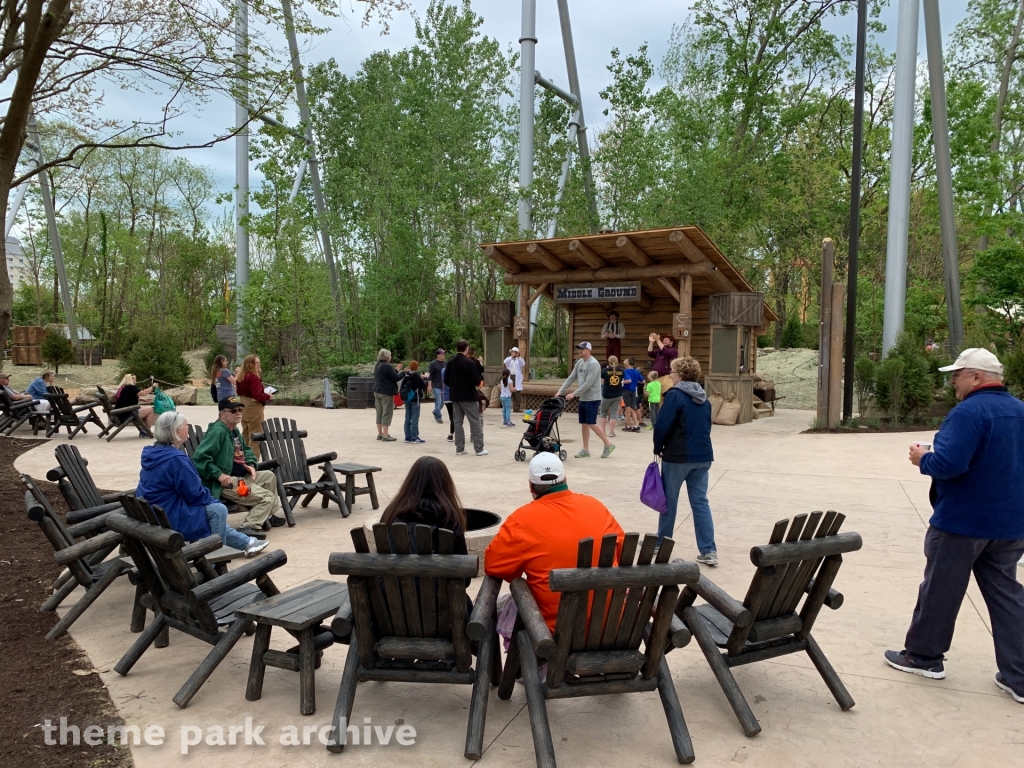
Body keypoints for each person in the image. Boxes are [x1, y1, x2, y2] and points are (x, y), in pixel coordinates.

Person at [885, 348, 1024, 703]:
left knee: (940, 590)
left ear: (977, 377)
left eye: (957, 374)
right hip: (1010, 524)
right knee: (1007, 595)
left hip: (962, 522)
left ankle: (924, 657)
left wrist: (923, 458)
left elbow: (949, 464)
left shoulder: (968, 412)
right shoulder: (1019, 410)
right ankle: (1019, 676)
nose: (952, 381)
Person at [485, 453, 625, 632]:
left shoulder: (521, 520)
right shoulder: (596, 506)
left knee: (491, 606)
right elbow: (621, 553)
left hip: (554, 632)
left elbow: (493, 565)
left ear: (531, 487)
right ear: (565, 479)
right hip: (611, 627)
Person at [137, 411, 267, 557]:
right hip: (169, 515)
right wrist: (212, 500)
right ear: (177, 431)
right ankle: (214, 560)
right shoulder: (176, 459)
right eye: (186, 425)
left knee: (213, 509)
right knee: (218, 510)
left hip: (153, 511)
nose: (188, 428)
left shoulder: (154, 452)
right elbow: (194, 493)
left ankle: (246, 542)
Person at [191, 396, 286, 538]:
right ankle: (248, 526)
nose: (238, 413)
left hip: (240, 475)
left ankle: (268, 515)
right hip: (226, 482)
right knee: (267, 497)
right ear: (222, 414)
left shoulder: (234, 430)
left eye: (240, 410)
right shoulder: (218, 431)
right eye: (233, 410)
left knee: (268, 476)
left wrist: (251, 464)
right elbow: (199, 459)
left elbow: (246, 450)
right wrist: (219, 475)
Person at [653, 356, 718, 564]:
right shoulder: (703, 397)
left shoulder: (675, 395)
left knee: (669, 502)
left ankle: (661, 544)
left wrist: (658, 447)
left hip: (678, 456)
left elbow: (662, 424)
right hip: (703, 456)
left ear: (680, 374)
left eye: (672, 371)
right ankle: (709, 551)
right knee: (700, 502)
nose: (670, 375)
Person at [380, 456, 468, 554]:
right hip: (439, 569)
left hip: (392, 569)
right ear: (445, 483)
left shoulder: (392, 512)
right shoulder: (448, 517)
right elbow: (462, 559)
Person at [558, 342, 613, 459]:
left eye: (582, 349)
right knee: (584, 424)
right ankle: (585, 449)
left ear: (588, 350)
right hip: (583, 398)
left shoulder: (593, 364)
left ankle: (608, 444)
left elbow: (588, 383)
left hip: (593, 398)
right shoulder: (579, 363)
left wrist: (574, 394)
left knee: (591, 423)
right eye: (579, 349)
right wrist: (560, 391)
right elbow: (571, 377)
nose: (580, 351)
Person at [443, 340, 487, 456]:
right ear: (466, 348)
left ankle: (460, 448)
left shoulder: (450, 362)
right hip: (468, 396)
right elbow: (477, 380)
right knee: (475, 422)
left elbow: (446, 380)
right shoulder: (469, 363)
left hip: (455, 396)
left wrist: (455, 385)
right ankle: (479, 448)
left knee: (458, 423)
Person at [235, 355, 271, 458]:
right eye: (257, 363)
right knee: (256, 436)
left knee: (245, 434)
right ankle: (252, 461)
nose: (259, 365)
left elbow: (238, 391)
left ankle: (242, 458)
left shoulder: (241, 376)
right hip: (254, 407)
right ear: (250, 364)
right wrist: (268, 395)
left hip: (243, 405)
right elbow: (257, 395)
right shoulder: (253, 377)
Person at [372, 348, 403, 442]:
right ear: (387, 357)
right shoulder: (387, 366)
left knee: (379, 412)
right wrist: (403, 373)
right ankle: (386, 435)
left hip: (377, 391)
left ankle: (380, 433)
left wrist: (396, 370)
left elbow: (387, 376)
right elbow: (396, 378)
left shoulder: (378, 365)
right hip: (386, 392)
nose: (391, 357)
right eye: (390, 355)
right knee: (387, 413)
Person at [401, 361, 427, 444]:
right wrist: (425, 378)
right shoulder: (416, 376)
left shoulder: (407, 375)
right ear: (417, 367)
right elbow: (423, 386)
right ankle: (414, 437)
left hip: (407, 399)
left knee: (407, 418)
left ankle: (407, 436)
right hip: (415, 399)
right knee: (415, 418)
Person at [599, 355, 624, 438]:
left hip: (606, 394)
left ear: (608, 361)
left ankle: (603, 431)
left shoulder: (605, 371)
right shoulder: (621, 371)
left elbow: (602, 383)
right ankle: (611, 432)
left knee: (603, 412)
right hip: (617, 394)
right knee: (614, 413)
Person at [621, 358, 645, 432]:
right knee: (633, 408)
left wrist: (622, 382)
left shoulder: (625, 371)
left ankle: (628, 425)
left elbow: (629, 380)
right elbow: (643, 381)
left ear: (627, 363)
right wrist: (635, 382)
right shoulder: (636, 372)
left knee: (627, 408)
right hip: (634, 390)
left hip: (626, 390)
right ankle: (636, 425)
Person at [503, 347, 527, 412]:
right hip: (509, 376)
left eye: (514, 352)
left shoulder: (519, 360)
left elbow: (523, 364)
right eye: (512, 352)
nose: (513, 353)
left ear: (516, 353)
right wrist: (511, 357)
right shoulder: (509, 359)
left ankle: (516, 408)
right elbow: (505, 362)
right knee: (508, 391)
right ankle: (506, 408)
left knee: (516, 393)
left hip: (516, 377)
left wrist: (518, 357)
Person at [428, 348, 446, 424]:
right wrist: (429, 385)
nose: (444, 355)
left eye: (444, 354)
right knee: (438, 401)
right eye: (442, 354)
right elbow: (430, 375)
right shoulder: (433, 363)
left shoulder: (446, 363)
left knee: (443, 402)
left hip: (444, 386)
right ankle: (438, 417)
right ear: (438, 355)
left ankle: (435, 411)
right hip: (436, 385)